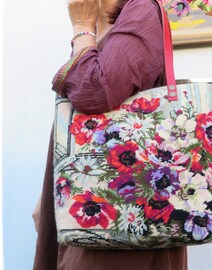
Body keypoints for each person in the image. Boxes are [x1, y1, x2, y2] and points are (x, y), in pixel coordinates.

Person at [33, 0, 188, 269]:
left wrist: (82, 28)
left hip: (123, 219)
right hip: (94, 204)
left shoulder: (140, 11)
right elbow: (82, 126)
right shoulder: (107, 20)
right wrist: (49, 197)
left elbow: (95, 91)